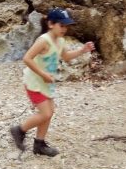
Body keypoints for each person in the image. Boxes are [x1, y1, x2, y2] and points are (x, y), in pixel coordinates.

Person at [9, 8, 94, 157]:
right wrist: (42, 74)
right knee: (45, 113)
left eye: (66, 26)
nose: (65, 29)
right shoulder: (44, 40)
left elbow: (66, 56)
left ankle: (39, 144)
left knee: (49, 113)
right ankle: (19, 130)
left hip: (46, 83)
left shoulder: (60, 41)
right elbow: (27, 58)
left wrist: (82, 50)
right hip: (34, 82)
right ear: (50, 24)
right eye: (61, 25)